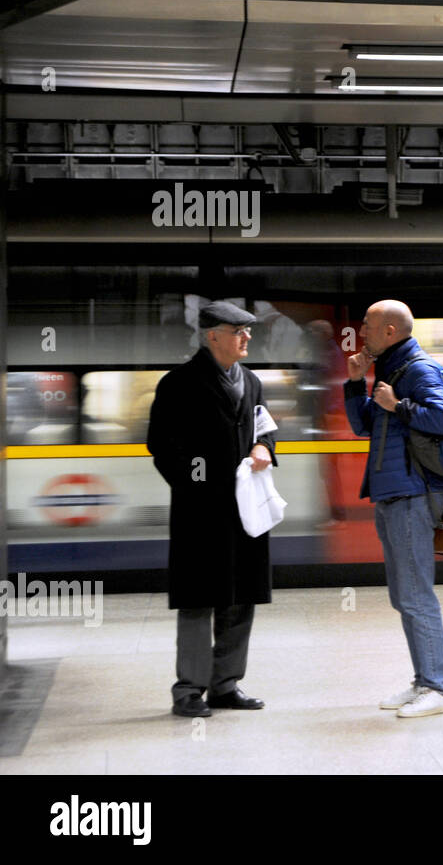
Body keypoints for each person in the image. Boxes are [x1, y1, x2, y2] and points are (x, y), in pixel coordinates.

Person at [147, 302, 277, 718]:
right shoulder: (179, 384)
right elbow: (162, 446)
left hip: (245, 511)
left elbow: (266, 428)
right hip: (200, 514)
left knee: (241, 599)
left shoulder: (252, 381)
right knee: (199, 601)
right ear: (212, 335)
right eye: (238, 330)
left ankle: (225, 685)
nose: (247, 337)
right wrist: (198, 482)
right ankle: (188, 691)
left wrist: (264, 447)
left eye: (248, 330)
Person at [344, 300, 443, 719]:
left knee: (416, 594)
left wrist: (398, 405)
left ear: (390, 330)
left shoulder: (417, 369)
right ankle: (423, 680)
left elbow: (440, 419)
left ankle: (439, 689)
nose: (362, 332)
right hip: (391, 492)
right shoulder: (390, 371)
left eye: (368, 325)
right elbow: (364, 426)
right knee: (403, 594)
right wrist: (356, 384)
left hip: (413, 493)